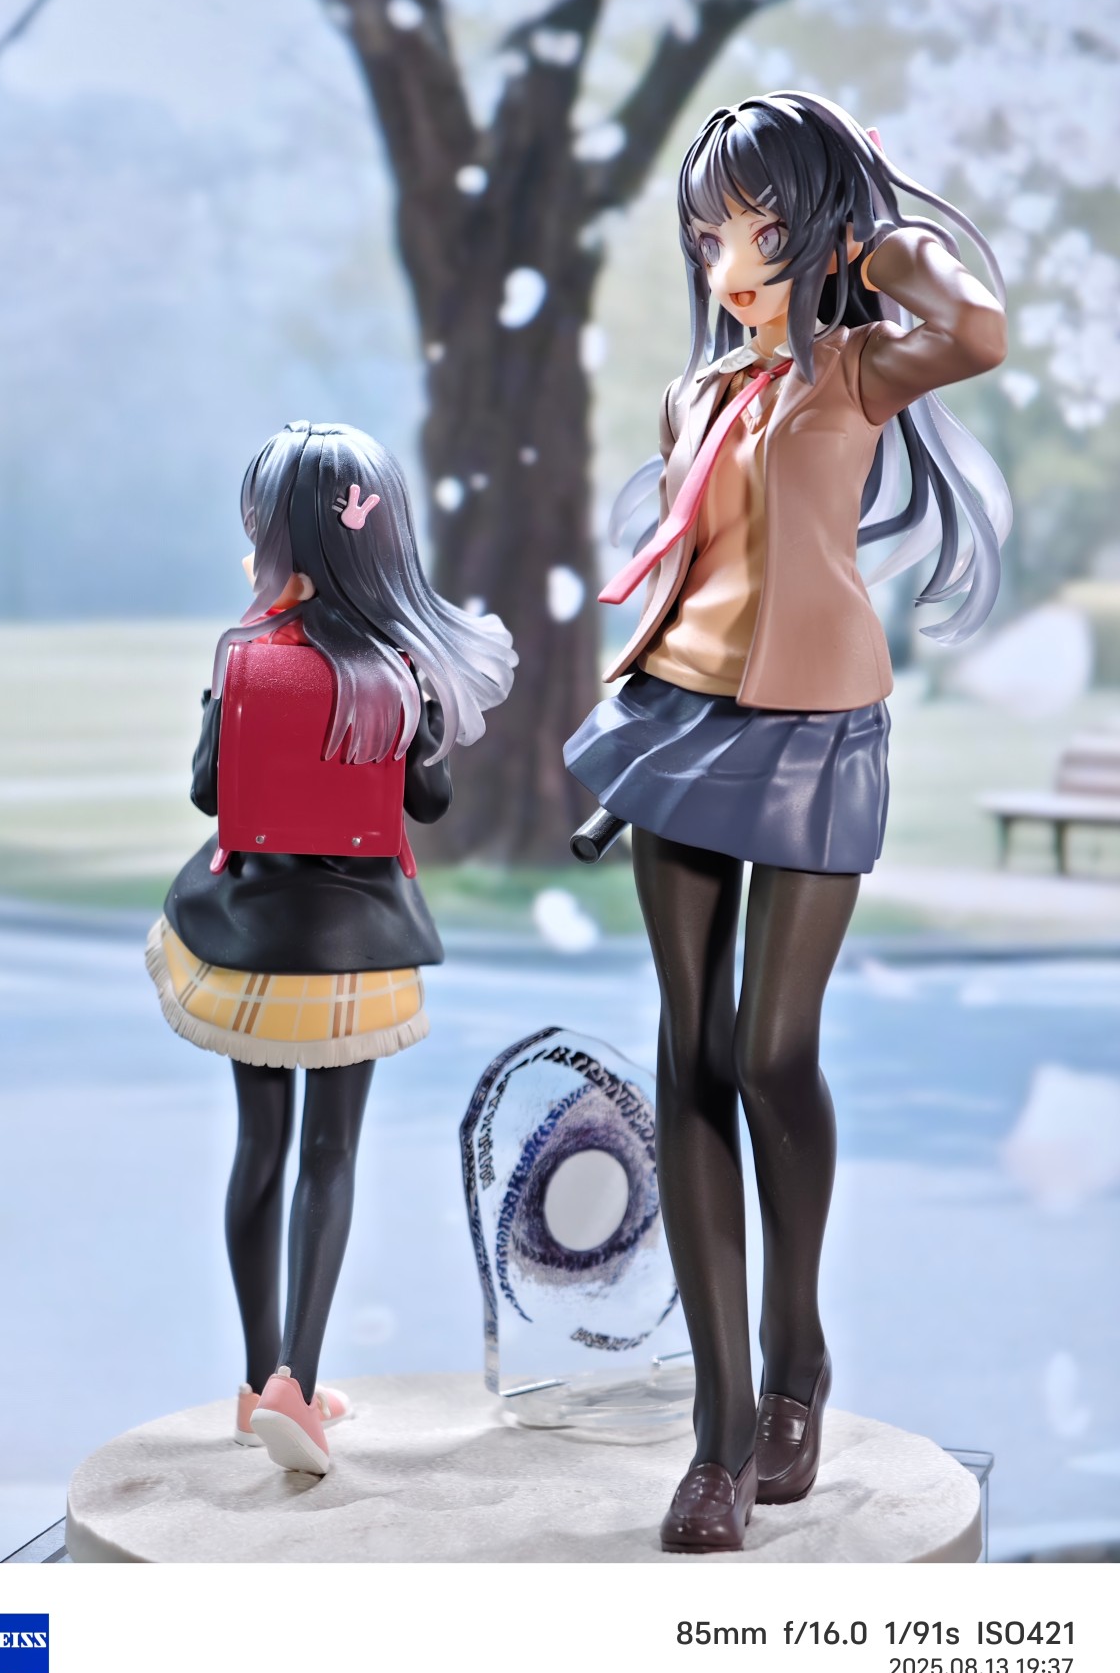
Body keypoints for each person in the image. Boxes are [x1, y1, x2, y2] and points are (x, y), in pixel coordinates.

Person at [565, 93, 1009, 1550]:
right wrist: (630, 736)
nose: (730, 262)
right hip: (679, 722)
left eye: (759, 229)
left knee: (771, 1053)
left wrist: (868, 244)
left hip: (818, 730)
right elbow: (691, 568)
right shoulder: (696, 396)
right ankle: (719, 1436)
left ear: (817, 233)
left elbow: (980, 328)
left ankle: (796, 1354)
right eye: (711, 234)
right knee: (688, 1050)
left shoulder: (862, 370)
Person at [147, 421, 516, 1476]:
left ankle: (255, 1379)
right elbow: (429, 802)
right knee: (330, 1154)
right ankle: (296, 1387)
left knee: (259, 1148)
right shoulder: (399, 669)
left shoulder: (243, 655)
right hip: (354, 944)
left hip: (247, 935)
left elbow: (207, 791)